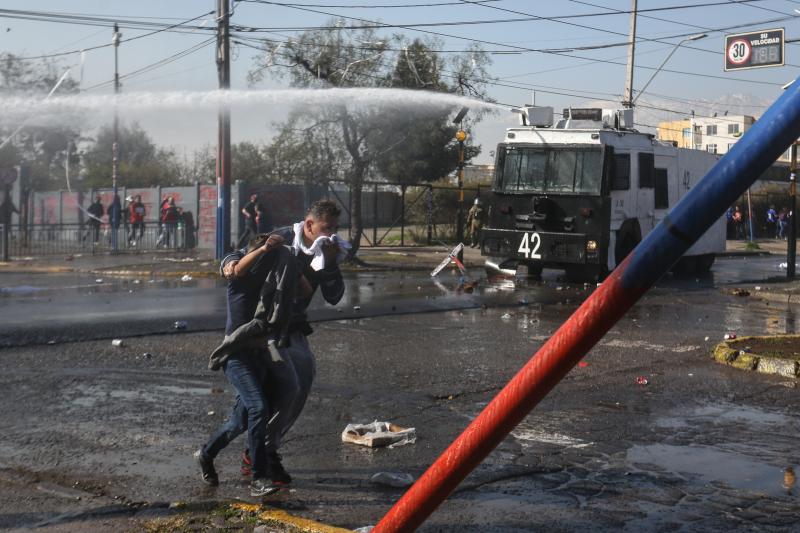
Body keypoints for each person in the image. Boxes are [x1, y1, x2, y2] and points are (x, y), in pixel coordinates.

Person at [198, 199, 346, 496]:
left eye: (335, 228)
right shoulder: (280, 241)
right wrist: (234, 262)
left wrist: (328, 263)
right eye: (326, 228)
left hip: (289, 327)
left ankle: (264, 447)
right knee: (266, 398)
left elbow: (332, 295)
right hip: (260, 333)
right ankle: (260, 455)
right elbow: (238, 258)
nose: (330, 234)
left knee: (298, 382)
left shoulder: (327, 250)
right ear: (309, 225)